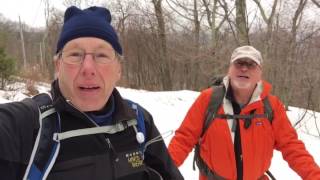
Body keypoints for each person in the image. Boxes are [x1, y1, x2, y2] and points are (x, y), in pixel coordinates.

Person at [0, 6, 183, 180]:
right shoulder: (27, 125)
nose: (88, 68)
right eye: (75, 55)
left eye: (102, 55)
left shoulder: (138, 121)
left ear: (118, 69)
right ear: (58, 65)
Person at [168, 45, 320, 180]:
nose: (244, 68)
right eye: (239, 63)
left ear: (260, 73)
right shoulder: (208, 99)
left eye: (251, 64)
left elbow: (291, 147)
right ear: (230, 69)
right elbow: (183, 139)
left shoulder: (271, 106)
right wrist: (161, 171)